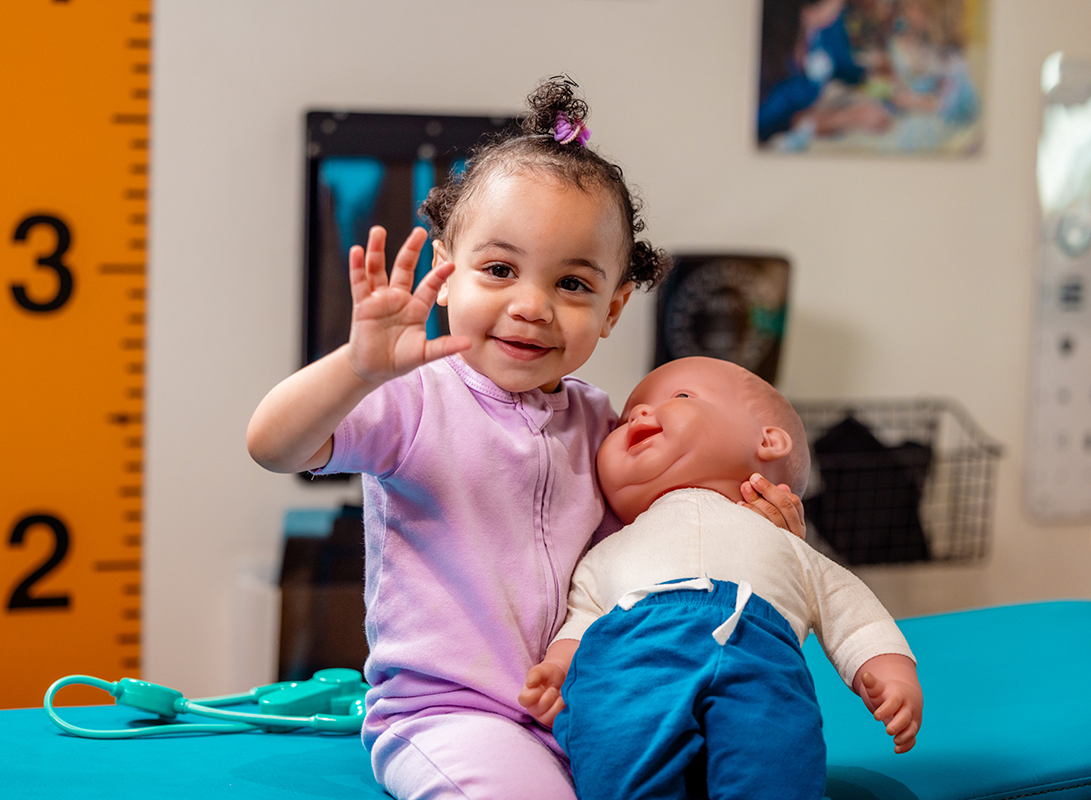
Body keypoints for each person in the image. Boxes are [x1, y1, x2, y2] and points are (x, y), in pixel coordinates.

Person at [248, 79, 805, 800]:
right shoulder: (415, 402)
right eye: (501, 270)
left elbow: (679, 531)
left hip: (584, 705)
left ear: (614, 307)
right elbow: (274, 445)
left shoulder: (603, 425)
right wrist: (356, 369)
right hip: (449, 714)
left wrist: (762, 526)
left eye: (573, 284)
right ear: (444, 275)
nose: (532, 306)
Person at [518, 357, 923, 800]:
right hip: (628, 662)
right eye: (625, 418)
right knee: (617, 760)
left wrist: (890, 671)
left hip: (759, 655)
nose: (636, 415)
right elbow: (583, 617)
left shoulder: (787, 545)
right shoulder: (605, 551)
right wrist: (559, 670)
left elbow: (853, 610)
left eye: (681, 396)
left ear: (767, 441)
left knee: (777, 764)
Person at [757, 0, 893, 145]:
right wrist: (843, 118)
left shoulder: (825, 29)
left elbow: (843, 66)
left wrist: (873, 74)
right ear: (809, 10)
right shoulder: (767, 49)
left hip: (810, 119)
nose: (841, 6)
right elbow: (765, 123)